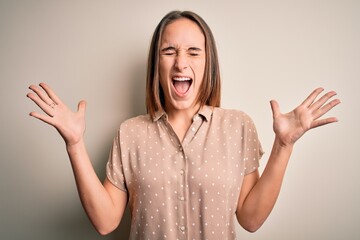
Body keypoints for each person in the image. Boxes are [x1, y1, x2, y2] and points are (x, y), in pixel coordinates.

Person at [27, 10, 340, 240]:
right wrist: (74, 145)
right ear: (157, 64)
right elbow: (106, 222)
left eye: (193, 52)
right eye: (169, 51)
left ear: (207, 63)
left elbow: (250, 218)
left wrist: (283, 146)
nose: (181, 62)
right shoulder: (130, 133)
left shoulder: (237, 126)